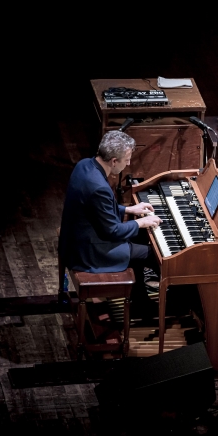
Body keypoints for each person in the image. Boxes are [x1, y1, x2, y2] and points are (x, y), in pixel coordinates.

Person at [58, 131, 162, 312]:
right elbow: (112, 231)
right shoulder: (99, 187)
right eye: (127, 160)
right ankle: (173, 302)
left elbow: (95, 209)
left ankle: (140, 298)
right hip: (89, 251)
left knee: (140, 238)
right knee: (157, 255)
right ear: (114, 161)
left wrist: (129, 209)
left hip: (77, 238)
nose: (128, 164)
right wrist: (141, 223)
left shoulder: (84, 165)